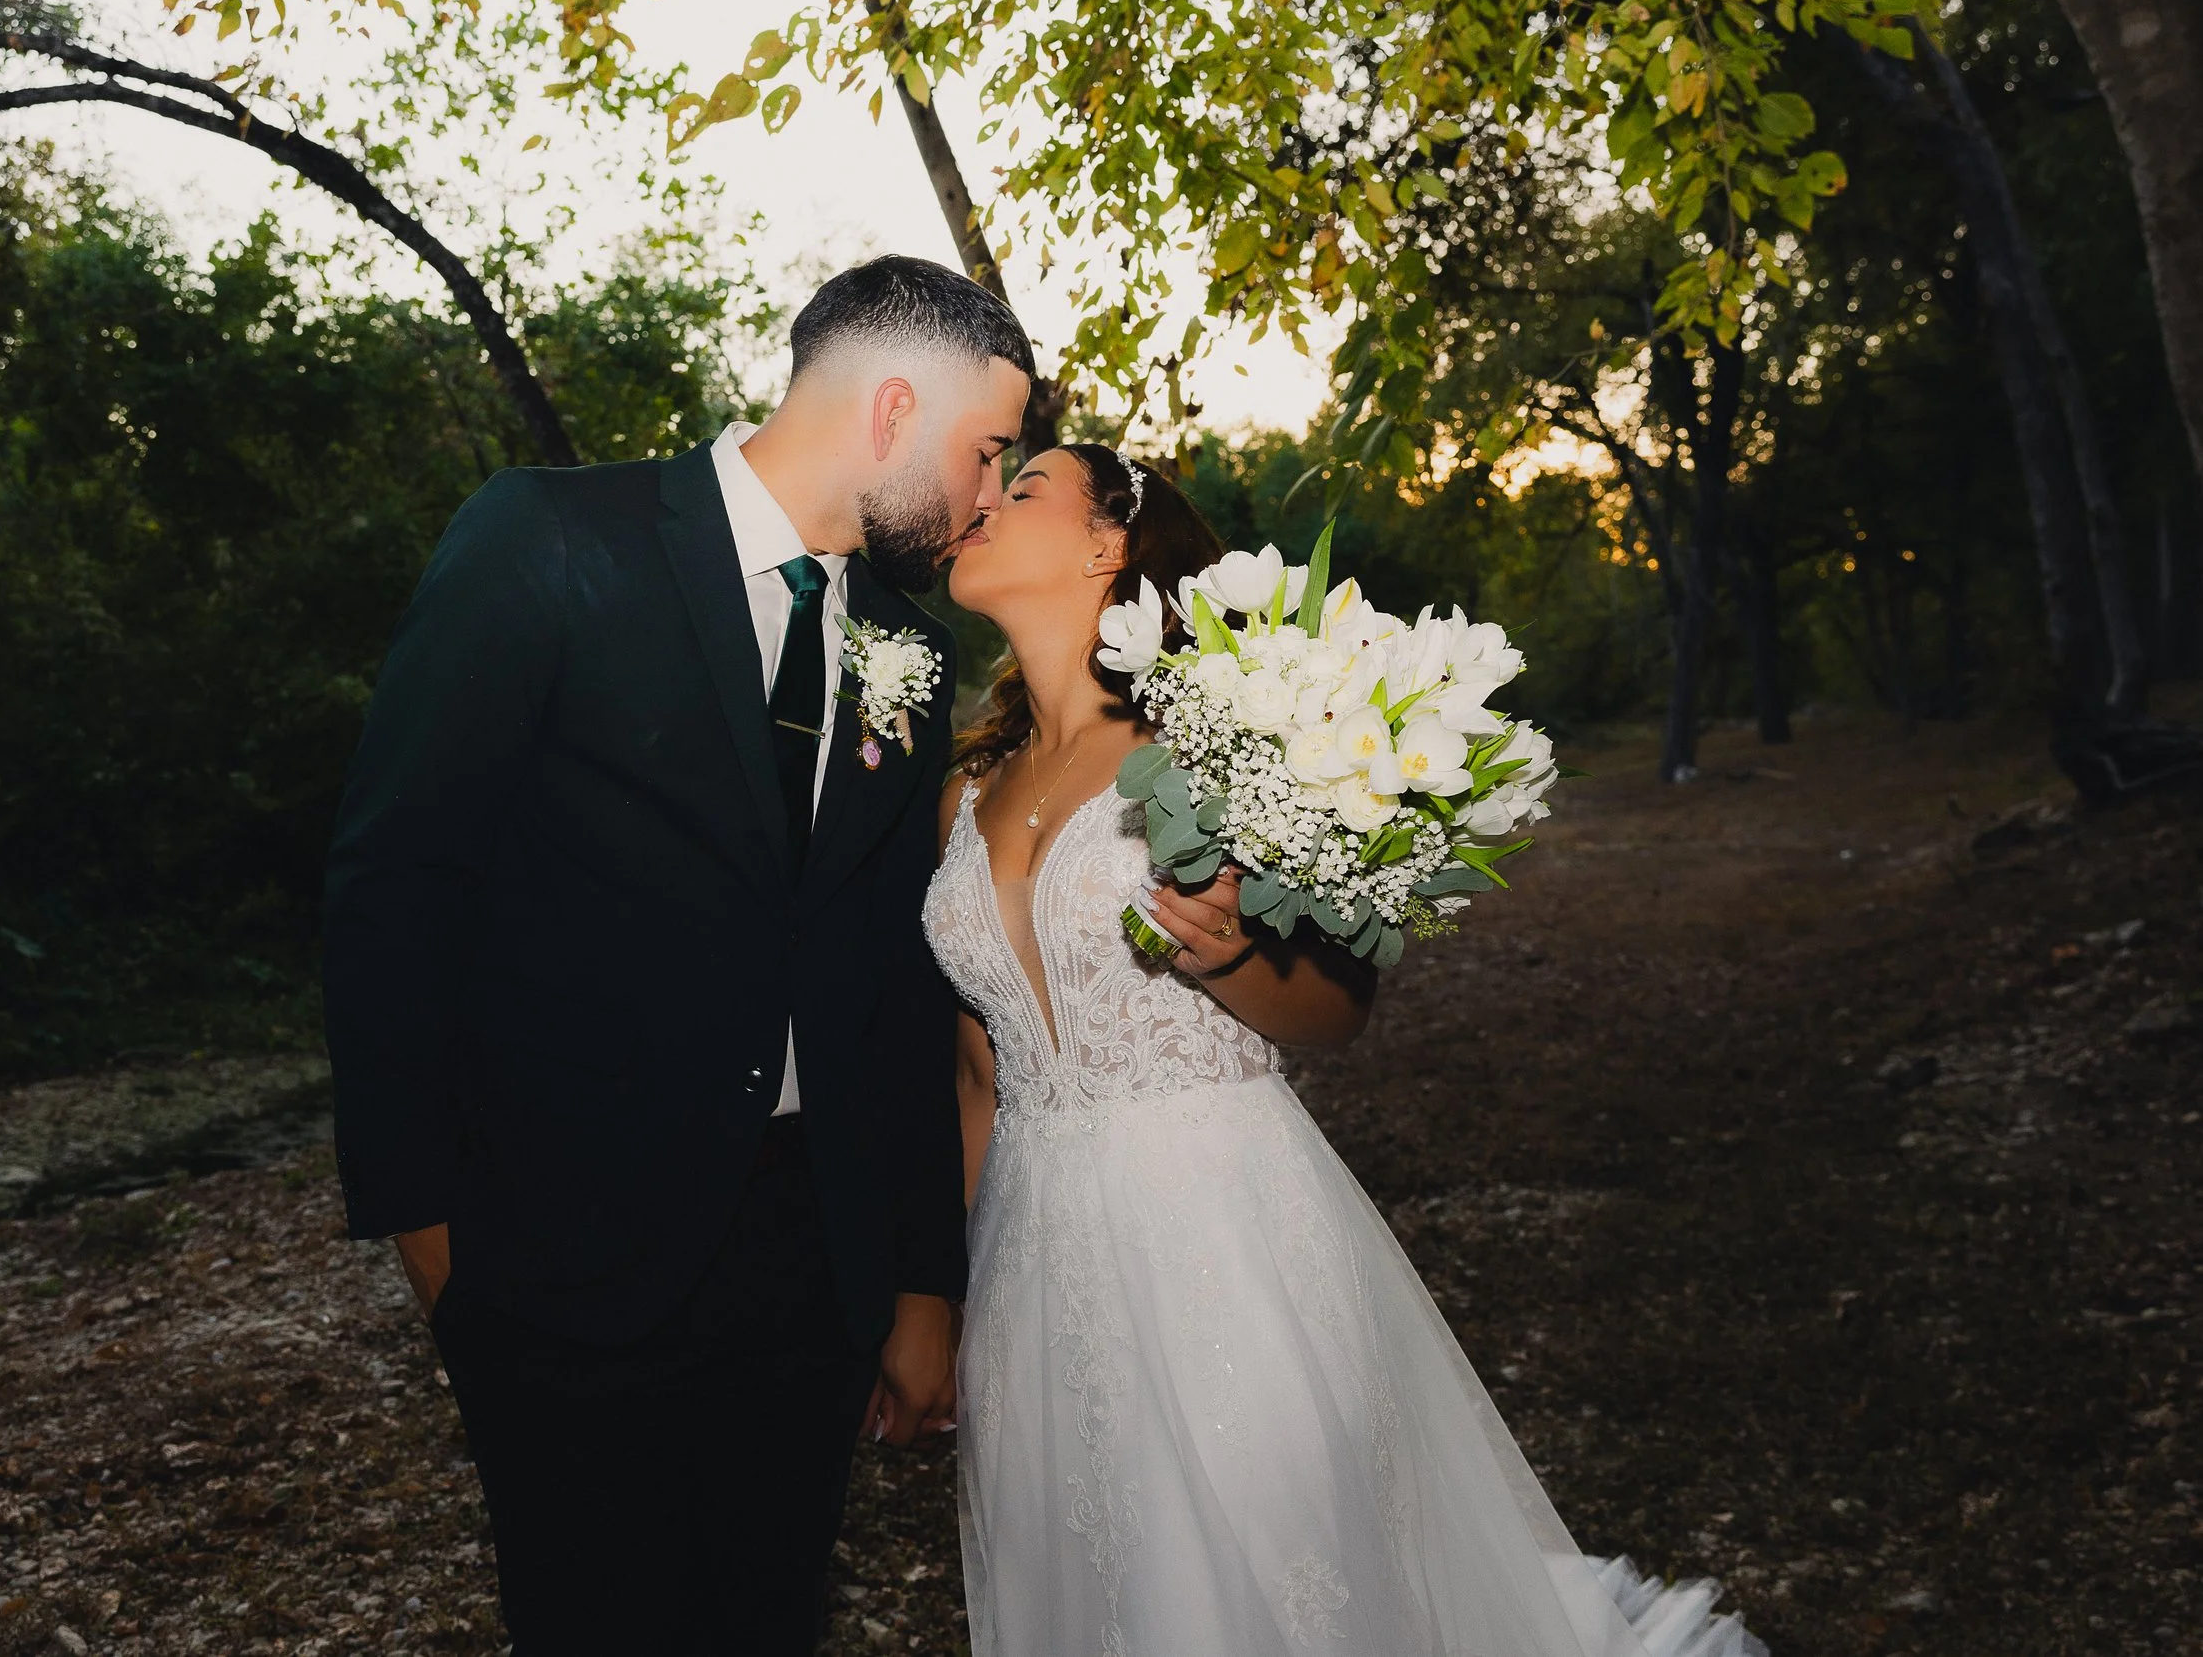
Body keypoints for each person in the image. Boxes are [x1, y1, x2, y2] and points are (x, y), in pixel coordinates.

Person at [926, 445, 1766, 1657]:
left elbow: (1338, 1009)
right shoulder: (965, 792)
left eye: (1023, 489)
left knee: (1273, 1583)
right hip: (1029, 1261)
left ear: (1110, 542)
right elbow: (981, 1072)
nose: (980, 505)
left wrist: (1228, 961)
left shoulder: (1226, 742)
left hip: (1220, 1229)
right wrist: (946, 1290)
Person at [322, 255, 1034, 1655]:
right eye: (987, 451)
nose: (990, 496)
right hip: (556, 1252)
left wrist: (916, 1277)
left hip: (803, 1264)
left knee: (767, 1614)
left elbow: (890, 980)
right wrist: (435, 1248)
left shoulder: (905, 643)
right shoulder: (544, 539)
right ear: (894, 406)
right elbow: (394, 887)